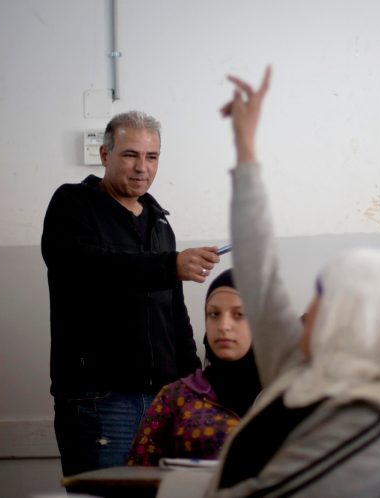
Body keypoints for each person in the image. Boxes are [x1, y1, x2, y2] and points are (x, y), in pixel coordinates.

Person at [205, 67, 380, 498]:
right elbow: (259, 271)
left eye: (325, 298)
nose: (307, 308)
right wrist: (245, 149)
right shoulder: (297, 369)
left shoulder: (371, 415)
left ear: (353, 318)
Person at [41, 111, 222, 476]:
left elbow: (174, 315)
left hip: (163, 398)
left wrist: (195, 382)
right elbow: (89, 267)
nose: (142, 167)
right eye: (130, 155)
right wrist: (168, 265)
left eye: (151, 157)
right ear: (105, 156)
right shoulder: (72, 204)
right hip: (100, 398)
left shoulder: (159, 222)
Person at [126, 269, 262, 466]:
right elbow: (134, 474)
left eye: (239, 314)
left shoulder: (289, 394)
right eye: (214, 314)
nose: (223, 325)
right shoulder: (175, 397)